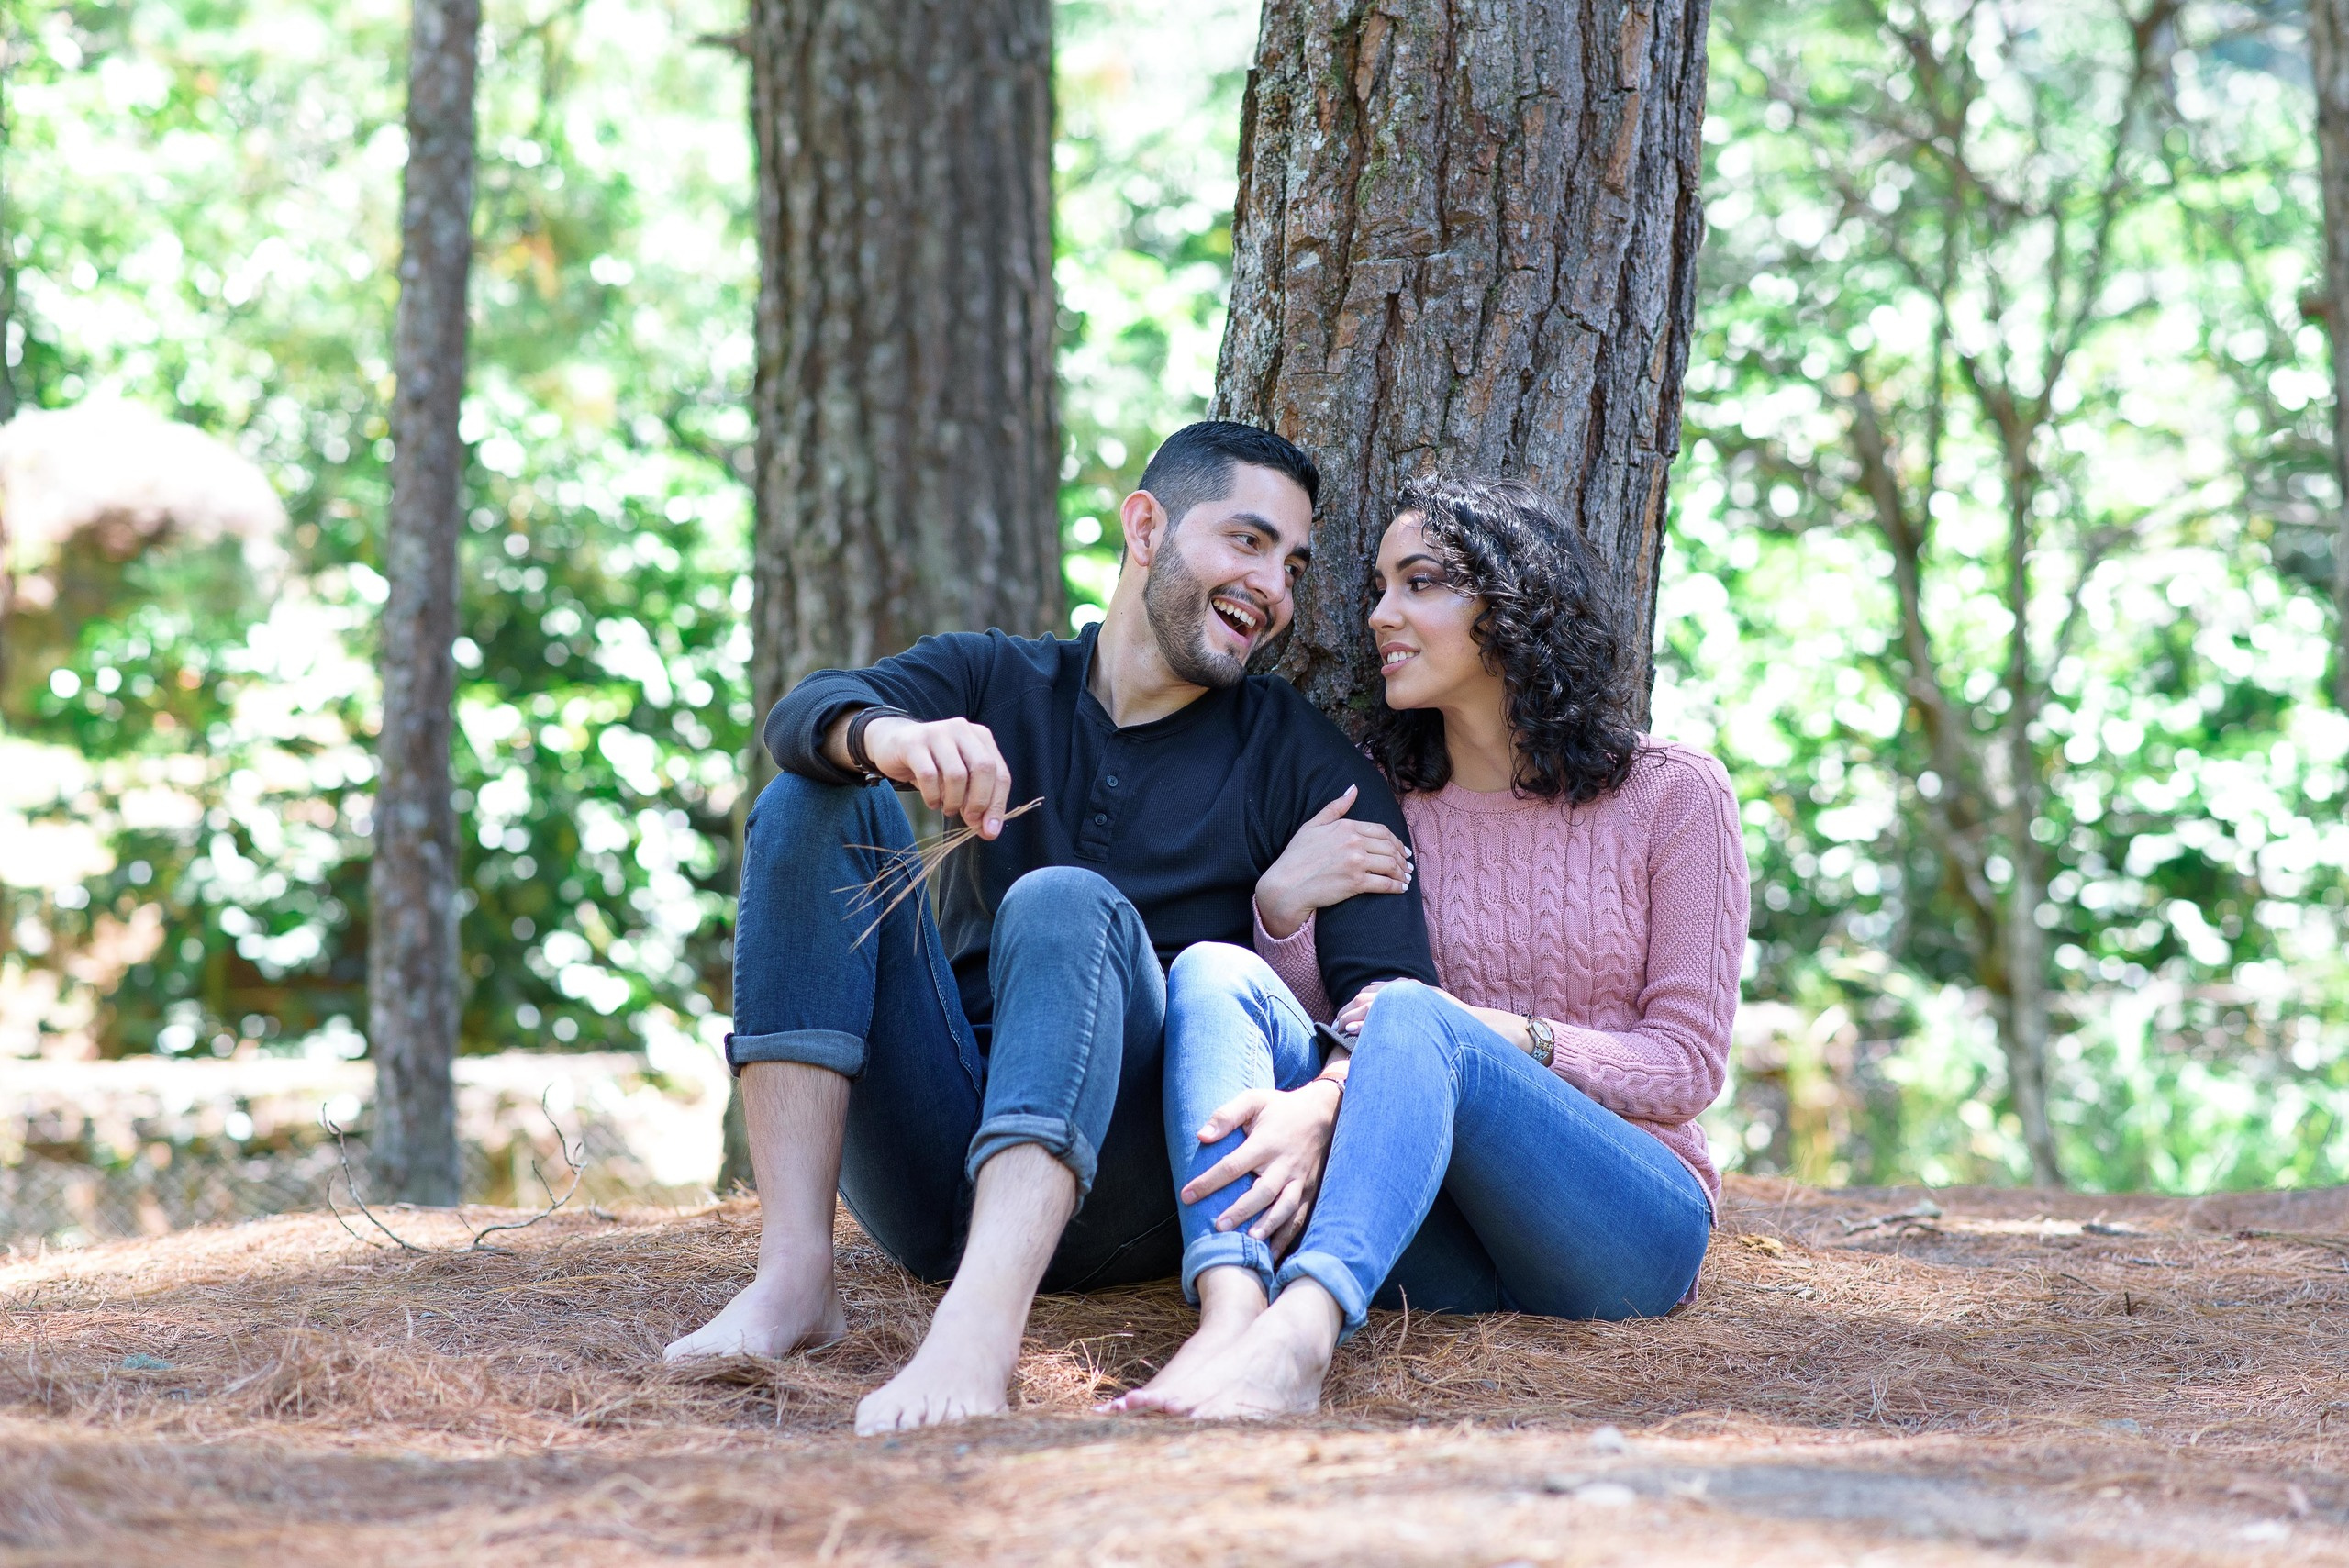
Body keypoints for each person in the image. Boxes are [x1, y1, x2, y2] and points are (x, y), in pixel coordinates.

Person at [662, 421, 1438, 1436]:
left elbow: (1395, 1000)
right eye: (1247, 541)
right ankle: (794, 1273)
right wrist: (893, 736)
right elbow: (806, 711)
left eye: (1290, 563)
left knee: (1061, 901)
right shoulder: (998, 678)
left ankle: (978, 1331)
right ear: (1145, 525)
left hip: (1127, 1191)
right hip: (932, 1144)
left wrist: (1279, 932)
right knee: (813, 799)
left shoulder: (1301, 762)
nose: (1274, 587)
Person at [1109, 473, 1747, 1418]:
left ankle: (1298, 1340)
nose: (1379, 614)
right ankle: (1229, 1310)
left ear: (1514, 603)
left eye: (1419, 582)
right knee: (1215, 971)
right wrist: (1282, 912)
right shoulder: (1383, 793)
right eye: (1377, 586)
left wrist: (1487, 1035)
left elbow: (1686, 1067)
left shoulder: (1672, 795)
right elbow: (1340, 1020)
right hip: (1430, 1222)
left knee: (1415, 1010)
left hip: (1625, 1223)